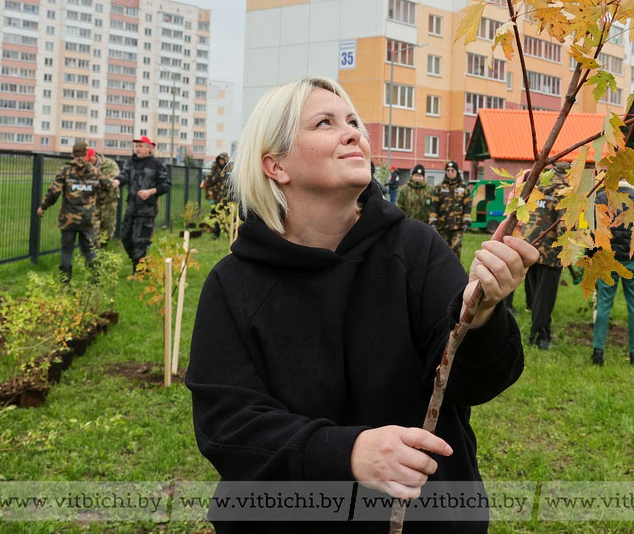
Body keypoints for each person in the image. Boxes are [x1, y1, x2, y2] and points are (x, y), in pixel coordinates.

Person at [185, 78, 538, 533]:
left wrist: (481, 313)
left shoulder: (415, 249)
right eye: (325, 122)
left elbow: (471, 383)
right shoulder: (234, 284)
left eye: (353, 121)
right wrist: (348, 453)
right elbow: (230, 428)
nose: (353, 132)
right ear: (275, 165)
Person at [591, 178, 634, 367]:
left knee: (604, 304)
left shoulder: (601, 198)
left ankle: (598, 352)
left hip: (608, 259)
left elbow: (592, 228)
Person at [36, 140, 115, 284]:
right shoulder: (94, 171)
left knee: (66, 252)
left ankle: (65, 283)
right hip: (87, 220)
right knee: (90, 252)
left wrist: (43, 207)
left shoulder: (66, 171)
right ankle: (94, 282)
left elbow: (54, 192)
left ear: (72, 154)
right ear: (86, 154)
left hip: (68, 220)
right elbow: (109, 186)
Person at [522, 161, 568, 350]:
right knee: (545, 297)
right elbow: (564, 224)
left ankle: (535, 330)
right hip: (550, 251)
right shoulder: (564, 189)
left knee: (534, 292)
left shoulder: (539, 183)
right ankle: (541, 335)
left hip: (529, 245)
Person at [116, 136, 170, 270]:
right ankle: (140, 263)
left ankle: (138, 272)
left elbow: (166, 185)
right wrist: (116, 182)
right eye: (136, 146)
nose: (137, 149)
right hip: (131, 208)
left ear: (148, 148)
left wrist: (150, 191)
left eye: (141, 146)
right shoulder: (130, 162)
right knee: (125, 237)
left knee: (139, 241)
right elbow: (124, 176)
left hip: (146, 210)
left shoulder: (157, 164)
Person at [433, 160, 470, 259]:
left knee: (456, 248)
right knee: (442, 249)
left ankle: (456, 271)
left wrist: (466, 221)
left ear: (457, 172)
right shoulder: (438, 188)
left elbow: (467, 206)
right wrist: (432, 221)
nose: (450, 172)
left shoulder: (464, 188)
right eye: (448, 170)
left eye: (452, 170)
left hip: (457, 226)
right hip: (442, 225)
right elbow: (434, 206)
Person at [88, 148, 120, 247]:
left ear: (94, 155)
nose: (88, 161)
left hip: (108, 202)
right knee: (93, 231)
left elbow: (112, 181)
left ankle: (103, 250)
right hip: (93, 202)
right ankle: (94, 254)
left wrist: (98, 177)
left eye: (90, 159)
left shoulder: (109, 164)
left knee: (108, 229)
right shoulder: (85, 166)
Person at [201, 152, 233, 239]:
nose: (221, 161)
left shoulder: (230, 169)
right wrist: (206, 183)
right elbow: (210, 178)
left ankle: (230, 234)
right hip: (216, 196)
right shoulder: (215, 168)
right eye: (219, 159)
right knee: (215, 214)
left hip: (226, 197)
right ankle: (216, 233)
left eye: (222, 159)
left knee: (228, 214)